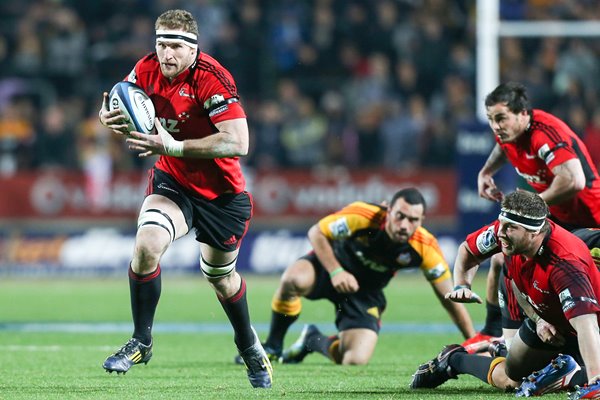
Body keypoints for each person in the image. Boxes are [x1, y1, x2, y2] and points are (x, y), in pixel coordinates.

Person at [97, 9, 272, 388]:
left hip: (221, 194)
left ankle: (249, 344)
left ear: (194, 49)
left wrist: (172, 145)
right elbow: (119, 100)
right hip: (173, 182)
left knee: (221, 279)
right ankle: (141, 340)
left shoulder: (212, 78)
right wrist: (105, 116)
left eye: (176, 45)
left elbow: (239, 142)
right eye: (161, 44)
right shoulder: (145, 69)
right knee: (146, 245)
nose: (167, 54)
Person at [237, 188, 477, 366]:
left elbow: (449, 297)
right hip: (330, 268)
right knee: (293, 279)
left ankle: (312, 340)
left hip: (365, 293)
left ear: (422, 221)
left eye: (413, 220)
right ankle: (273, 346)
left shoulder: (425, 246)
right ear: (388, 210)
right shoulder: (364, 215)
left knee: (354, 359)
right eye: (400, 216)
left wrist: (473, 341)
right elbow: (317, 232)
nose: (404, 225)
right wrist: (336, 270)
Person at [410, 191, 600, 399]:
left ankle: (567, 372)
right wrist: (461, 285)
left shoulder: (565, 263)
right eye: (501, 223)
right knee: (512, 377)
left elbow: (586, 325)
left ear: (534, 233)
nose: (500, 232)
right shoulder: (507, 233)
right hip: (547, 318)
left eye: (510, 228)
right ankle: (454, 360)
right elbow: (468, 250)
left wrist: (595, 382)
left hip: (583, 327)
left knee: (518, 379)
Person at [466, 81, 600, 353]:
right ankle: (493, 332)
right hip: (557, 219)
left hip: (589, 220)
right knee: (501, 257)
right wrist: (486, 172)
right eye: (491, 119)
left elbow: (573, 180)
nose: (495, 126)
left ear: (523, 114)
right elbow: (504, 147)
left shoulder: (545, 133)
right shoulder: (509, 133)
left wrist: (530, 205)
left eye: (501, 118)